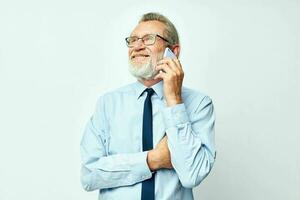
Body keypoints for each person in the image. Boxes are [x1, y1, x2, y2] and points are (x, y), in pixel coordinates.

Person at [80, 12, 216, 200]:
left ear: (173, 51)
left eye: (148, 39)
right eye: (133, 40)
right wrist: (152, 160)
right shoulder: (108, 103)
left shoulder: (199, 104)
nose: (136, 46)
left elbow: (192, 174)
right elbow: (89, 175)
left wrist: (174, 100)